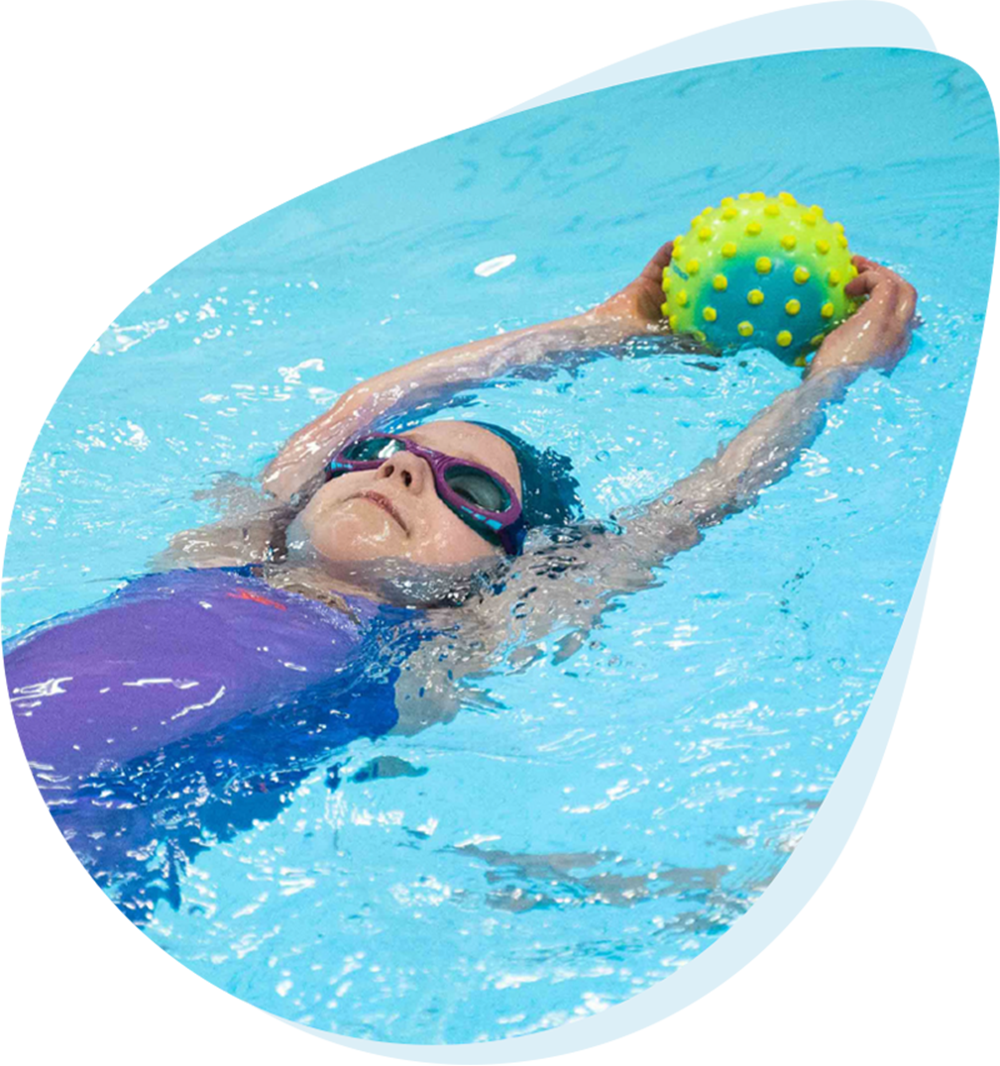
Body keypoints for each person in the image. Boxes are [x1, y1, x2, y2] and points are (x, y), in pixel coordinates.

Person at [1, 240, 917, 783]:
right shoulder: (226, 548)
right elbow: (370, 401)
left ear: (521, 564)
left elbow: (696, 503)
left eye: (468, 490)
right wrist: (607, 327)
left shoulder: (444, 640)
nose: (402, 472)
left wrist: (833, 379)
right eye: (389, 459)